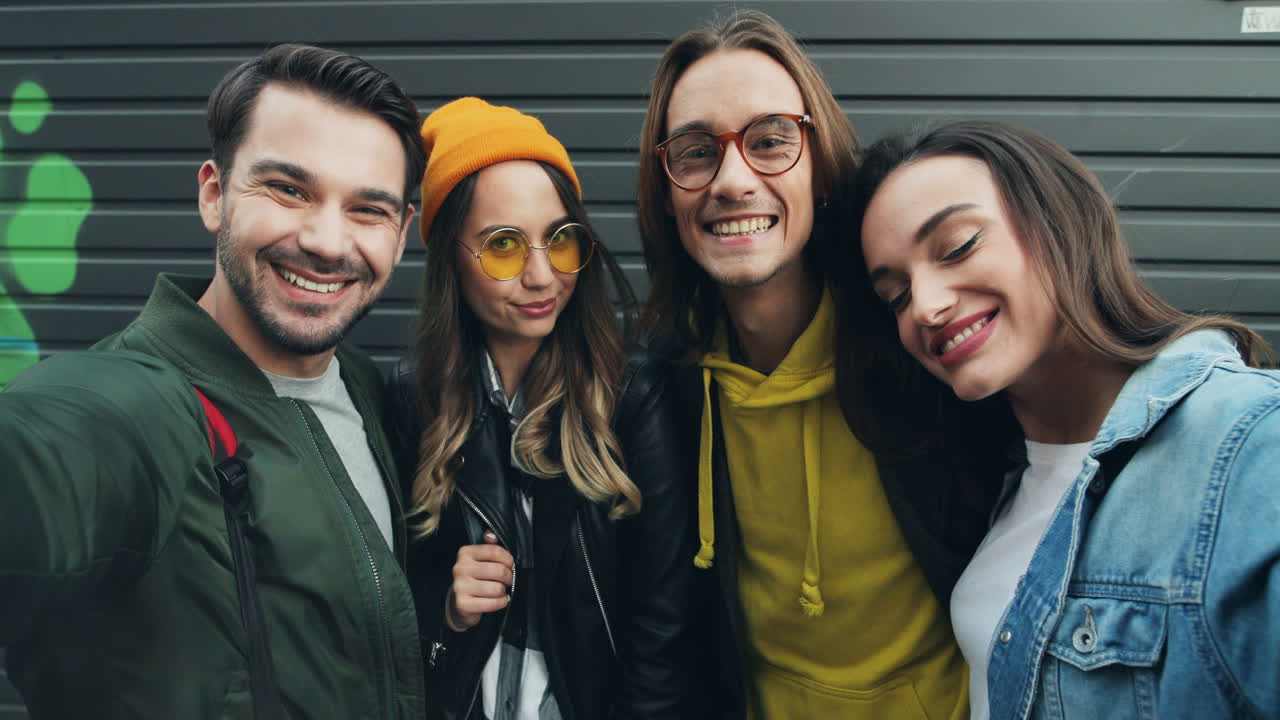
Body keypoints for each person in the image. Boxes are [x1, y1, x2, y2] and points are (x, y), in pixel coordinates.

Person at [0, 44, 428, 718]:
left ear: (401, 235)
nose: (325, 240)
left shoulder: (375, 394)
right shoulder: (137, 407)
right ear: (214, 194)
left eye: (367, 210)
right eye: (289, 189)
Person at [846, 120, 1280, 720]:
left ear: (1058, 225)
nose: (924, 305)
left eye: (956, 247)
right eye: (895, 295)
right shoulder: (996, 475)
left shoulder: (1249, 441)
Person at [635, 10, 992, 718]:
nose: (733, 181)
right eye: (696, 151)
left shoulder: (920, 347)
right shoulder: (661, 389)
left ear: (819, 163)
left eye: (770, 141)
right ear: (666, 191)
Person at [385, 97, 697, 720]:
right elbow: (388, 640)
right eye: (503, 246)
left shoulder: (632, 397)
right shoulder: (409, 401)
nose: (541, 276)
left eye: (560, 241)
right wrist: (448, 609)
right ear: (452, 257)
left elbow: (661, 636)